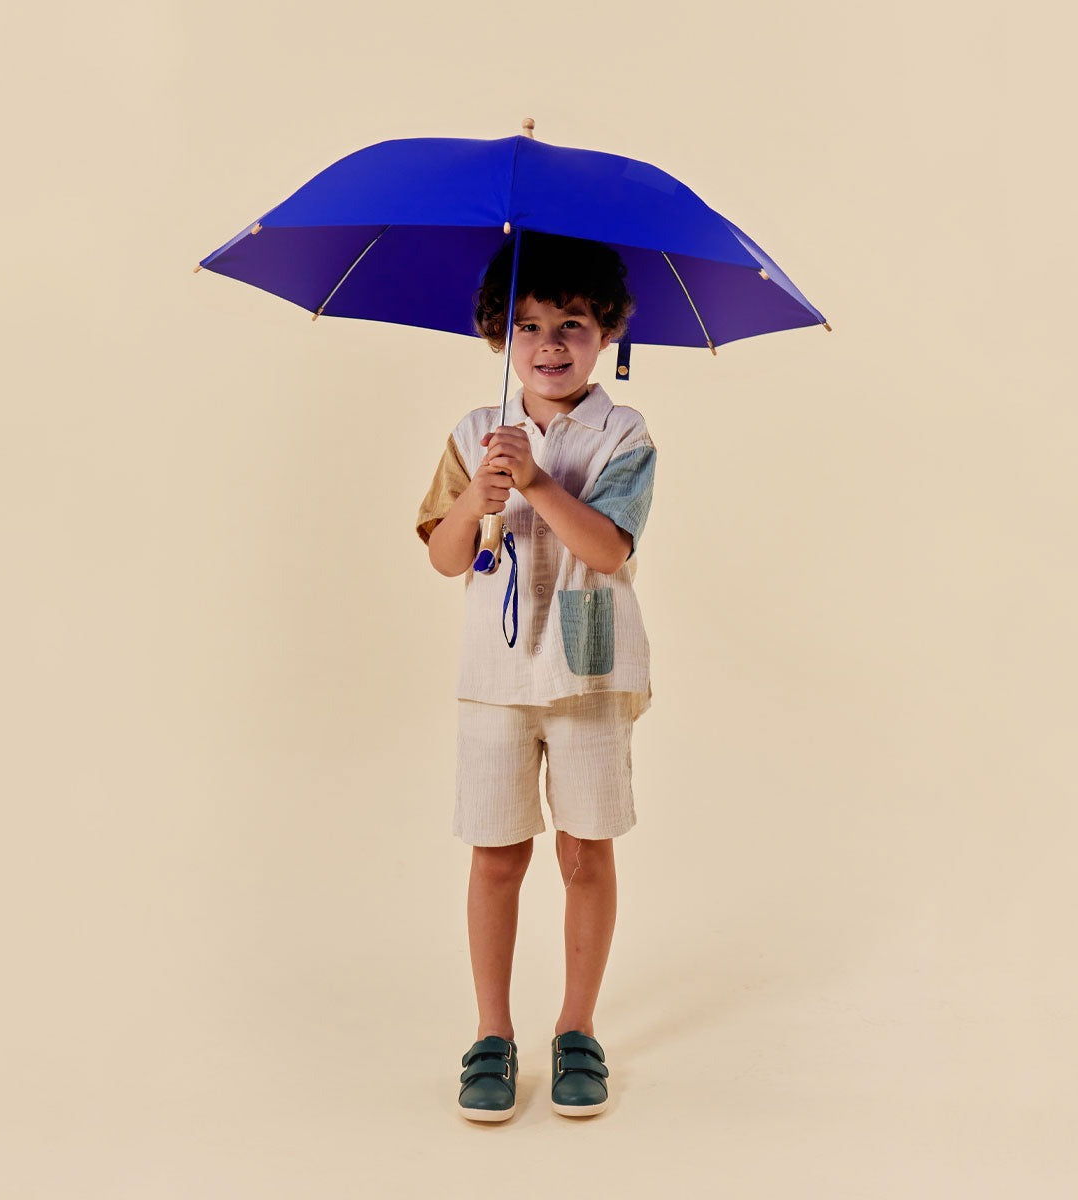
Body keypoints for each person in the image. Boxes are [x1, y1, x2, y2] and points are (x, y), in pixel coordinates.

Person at [415, 232, 657, 1122]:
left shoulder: (623, 434)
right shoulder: (474, 435)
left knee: (586, 850)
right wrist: (480, 499)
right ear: (497, 335)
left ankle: (577, 1028)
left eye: (573, 324)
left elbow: (610, 546)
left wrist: (541, 484)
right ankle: (491, 1033)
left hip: (590, 671)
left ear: (609, 334)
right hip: (494, 675)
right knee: (496, 854)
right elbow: (446, 559)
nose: (550, 343)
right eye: (528, 326)